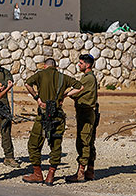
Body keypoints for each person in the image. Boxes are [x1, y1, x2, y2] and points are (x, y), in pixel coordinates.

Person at [23, 57, 83, 186]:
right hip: (57, 116)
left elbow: (27, 83)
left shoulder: (40, 74)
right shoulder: (63, 77)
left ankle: (37, 174)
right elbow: (80, 87)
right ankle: (51, 175)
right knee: (55, 145)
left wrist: (37, 98)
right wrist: (65, 95)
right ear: (55, 67)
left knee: (34, 144)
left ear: (45, 66)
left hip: (43, 116)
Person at [67, 53, 99, 182]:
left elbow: (76, 90)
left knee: (83, 141)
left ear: (88, 65)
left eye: (81, 63)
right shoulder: (88, 77)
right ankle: (90, 171)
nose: (79, 65)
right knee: (89, 141)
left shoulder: (88, 78)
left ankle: (80, 172)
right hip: (86, 112)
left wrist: (66, 93)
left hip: (86, 112)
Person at [0, 47, 20, 168]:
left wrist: (4, 85)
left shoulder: (4, 72)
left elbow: (9, 81)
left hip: (3, 105)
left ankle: (9, 157)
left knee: (6, 132)